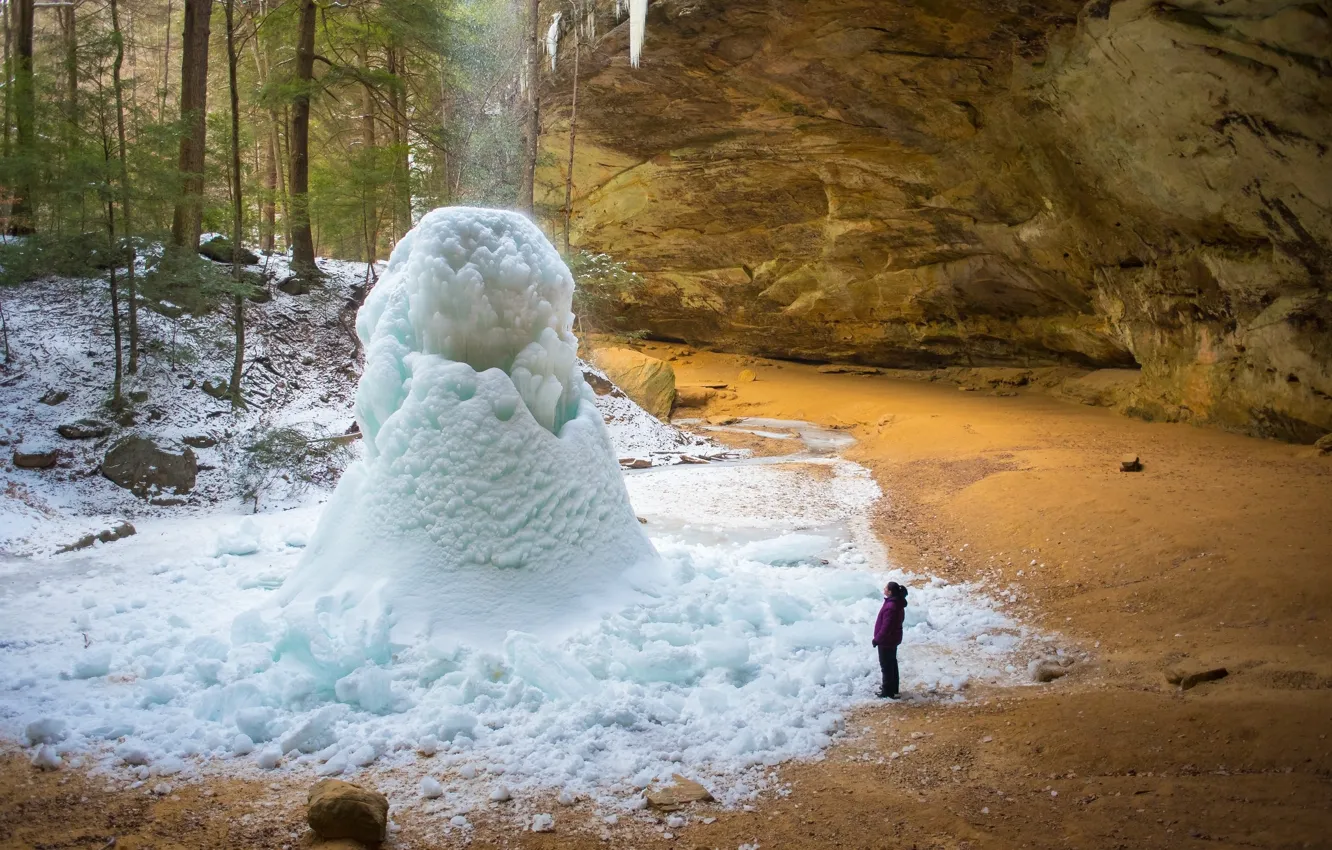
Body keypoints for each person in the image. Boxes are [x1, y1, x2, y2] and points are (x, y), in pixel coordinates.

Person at [872, 581, 908, 699]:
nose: (884, 589)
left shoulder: (891, 606)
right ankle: (892, 688)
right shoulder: (896, 603)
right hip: (892, 639)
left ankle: (887, 691)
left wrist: (877, 639)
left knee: (886, 665)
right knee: (892, 663)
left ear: (890, 591)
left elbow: (886, 627)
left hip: (887, 641)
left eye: (886, 588)